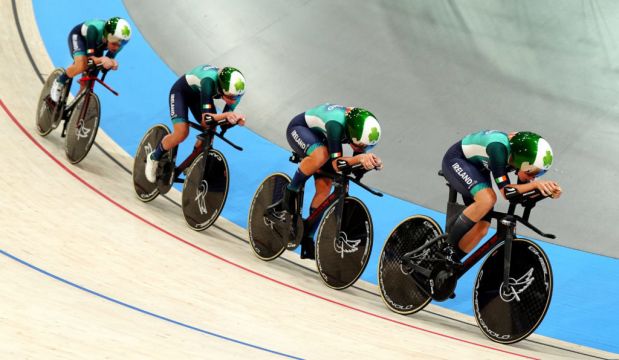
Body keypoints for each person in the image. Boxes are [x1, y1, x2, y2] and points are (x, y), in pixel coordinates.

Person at [267, 103, 383, 259]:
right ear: (352, 134)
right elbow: (337, 163)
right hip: (299, 129)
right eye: (361, 146)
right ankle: (290, 193)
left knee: (325, 188)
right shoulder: (335, 124)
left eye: (367, 148)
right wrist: (359, 158)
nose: (362, 150)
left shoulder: (358, 127)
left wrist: (366, 164)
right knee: (321, 155)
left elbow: (346, 164)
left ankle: (308, 237)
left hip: (322, 138)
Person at [441, 130, 562, 263]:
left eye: (538, 174)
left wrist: (545, 192)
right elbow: (507, 193)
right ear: (522, 162)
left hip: (478, 169)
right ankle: (446, 248)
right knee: (487, 199)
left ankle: (448, 263)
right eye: (532, 172)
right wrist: (536, 186)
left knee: (482, 228)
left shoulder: (518, 157)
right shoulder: (498, 150)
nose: (533, 178)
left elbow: (519, 196)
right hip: (457, 160)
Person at [145, 65, 246, 182]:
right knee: (182, 132)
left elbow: (223, 123)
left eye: (237, 97)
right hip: (181, 93)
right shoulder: (208, 82)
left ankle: (193, 162)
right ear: (222, 88)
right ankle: (154, 157)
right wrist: (226, 116)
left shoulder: (236, 92)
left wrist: (235, 121)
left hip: (199, 96)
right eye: (231, 97)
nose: (234, 100)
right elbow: (206, 119)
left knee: (211, 129)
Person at [50, 17, 131, 102]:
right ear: (107, 36)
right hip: (80, 38)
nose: (116, 47)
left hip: (96, 47)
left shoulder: (118, 46)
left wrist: (111, 65)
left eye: (122, 43)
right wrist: (102, 60)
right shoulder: (94, 29)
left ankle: (76, 109)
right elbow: (90, 59)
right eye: (114, 43)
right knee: (82, 65)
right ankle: (59, 81)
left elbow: (102, 66)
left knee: (90, 80)